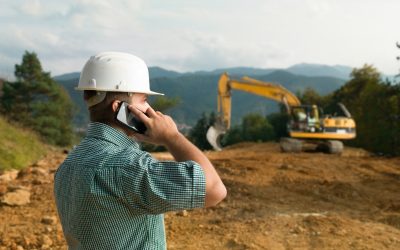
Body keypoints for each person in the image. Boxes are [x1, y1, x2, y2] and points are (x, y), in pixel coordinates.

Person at [54, 51, 227, 250]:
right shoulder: (128, 167)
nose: (149, 109)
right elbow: (214, 190)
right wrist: (172, 137)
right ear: (119, 107)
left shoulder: (69, 164)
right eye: (144, 100)